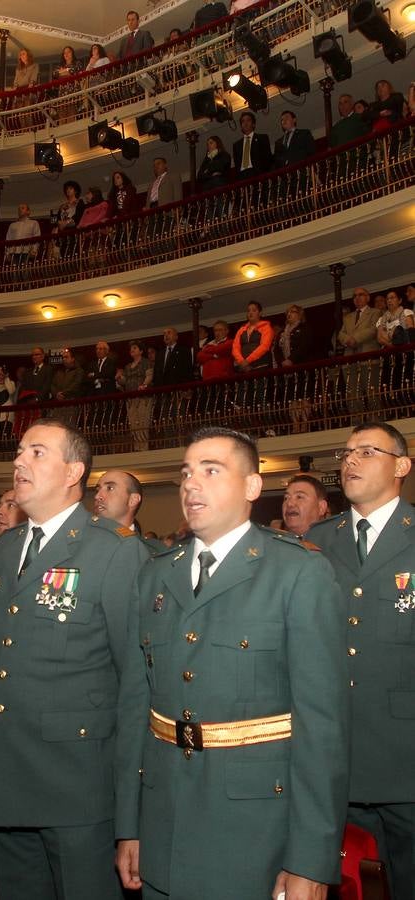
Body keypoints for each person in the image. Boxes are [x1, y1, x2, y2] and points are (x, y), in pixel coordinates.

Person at [116, 426, 349, 900]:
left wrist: (309, 859)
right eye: (185, 473)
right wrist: (129, 824)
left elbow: (322, 729)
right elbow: (134, 707)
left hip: (253, 832)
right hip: (164, 823)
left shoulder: (299, 572)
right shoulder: (156, 574)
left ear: (251, 487)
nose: (190, 484)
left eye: (211, 470)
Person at [0, 420, 148, 900]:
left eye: (36, 452)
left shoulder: (113, 548)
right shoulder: (8, 547)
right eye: (18, 451)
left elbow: (134, 682)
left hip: (78, 783)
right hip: (7, 774)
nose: (18, 461)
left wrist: (130, 811)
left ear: (73, 471)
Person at [308, 421, 415, 900]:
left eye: (367, 451)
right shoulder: (315, 542)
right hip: (333, 754)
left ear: (402, 466)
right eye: (346, 452)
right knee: (345, 885)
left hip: (405, 757)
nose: (349, 460)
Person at [339, 286, 381, 419]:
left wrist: (355, 339)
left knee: (371, 390)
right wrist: (347, 339)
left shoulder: (376, 312)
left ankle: (376, 420)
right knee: (352, 392)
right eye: (355, 296)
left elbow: (373, 329)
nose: (357, 298)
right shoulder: (348, 317)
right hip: (350, 358)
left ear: (368, 298)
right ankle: (356, 421)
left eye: (361, 295)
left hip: (368, 356)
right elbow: (341, 333)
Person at [278, 304, 313, 433]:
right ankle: (295, 424)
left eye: (293, 312)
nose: (289, 314)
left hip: (301, 367)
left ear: (300, 314)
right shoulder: (283, 332)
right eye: (288, 312)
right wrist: (283, 361)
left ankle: (304, 423)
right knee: (292, 398)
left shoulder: (304, 328)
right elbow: (277, 349)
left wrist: (291, 359)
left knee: (303, 396)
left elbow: (305, 346)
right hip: (288, 371)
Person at [118, 339, 154, 451]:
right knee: (133, 423)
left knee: (143, 421)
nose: (132, 350)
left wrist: (144, 385)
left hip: (143, 397)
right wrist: (119, 378)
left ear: (141, 351)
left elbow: (149, 375)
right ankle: (137, 447)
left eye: (135, 348)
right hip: (130, 398)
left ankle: (144, 448)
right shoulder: (128, 366)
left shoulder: (146, 362)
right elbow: (124, 381)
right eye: (131, 349)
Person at [232, 111, 272, 180]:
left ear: (253, 124)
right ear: (241, 126)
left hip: (258, 174)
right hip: (242, 177)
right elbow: (237, 164)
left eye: (248, 120)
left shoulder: (262, 138)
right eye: (243, 121)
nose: (245, 123)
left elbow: (268, 158)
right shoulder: (236, 145)